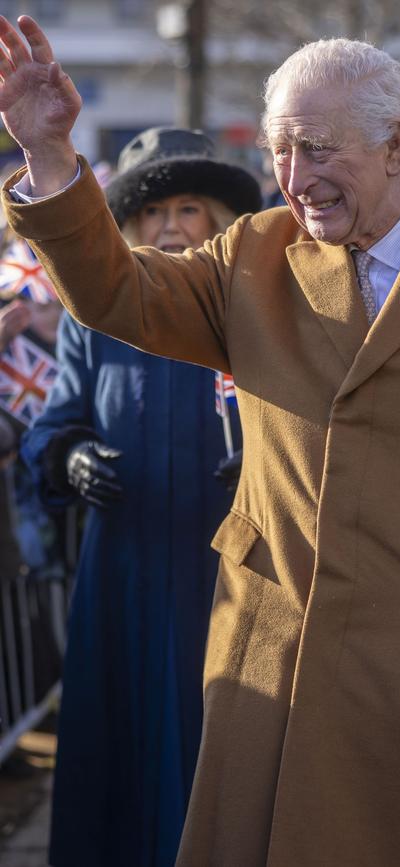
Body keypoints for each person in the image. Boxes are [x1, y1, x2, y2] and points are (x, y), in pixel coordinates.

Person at [0, 16, 400, 867]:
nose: (295, 180)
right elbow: (118, 292)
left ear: (396, 144)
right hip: (268, 682)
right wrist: (47, 157)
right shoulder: (254, 255)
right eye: (279, 151)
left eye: (317, 148)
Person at [18, 126, 261, 867]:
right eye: (151, 211)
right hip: (120, 574)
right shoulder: (93, 323)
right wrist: (71, 454)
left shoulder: (256, 309)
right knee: (115, 750)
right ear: (123, 226)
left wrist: (266, 459)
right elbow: (54, 423)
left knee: (222, 742)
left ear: (217, 219)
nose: (168, 226)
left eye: (188, 208)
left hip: (228, 576)